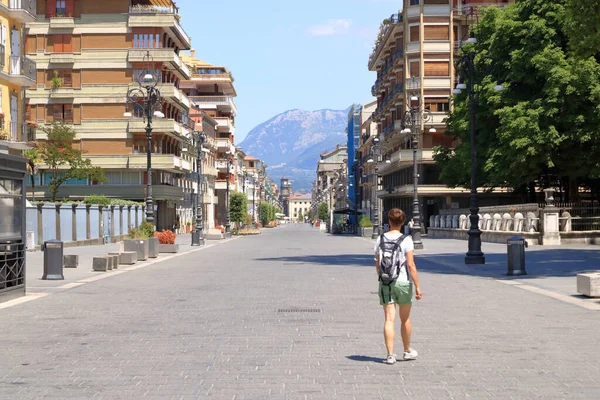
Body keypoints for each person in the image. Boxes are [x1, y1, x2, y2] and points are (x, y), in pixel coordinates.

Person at [374, 208, 422, 365]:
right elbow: (411, 265)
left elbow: (377, 262)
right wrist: (418, 286)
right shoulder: (407, 240)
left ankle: (390, 355)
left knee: (389, 319)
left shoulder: (380, 239)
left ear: (389, 221)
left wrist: (382, 278)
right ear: (403, 222)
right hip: (403, 282)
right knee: (405, 319)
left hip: (386, 282)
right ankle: (407, 350)